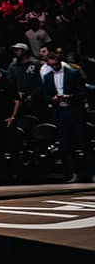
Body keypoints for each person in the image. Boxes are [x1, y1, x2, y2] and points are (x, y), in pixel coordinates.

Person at [41, 48, 91, 183]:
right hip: (60, 113)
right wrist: (53, 99)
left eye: (56, 64)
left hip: (75, 112)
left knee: (84, 143)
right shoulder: (47, 77)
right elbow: (45, 96)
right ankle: (74, 173)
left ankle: (92, 173)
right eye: (52, 65)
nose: (55, 67)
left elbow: (83, 92)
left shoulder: (72, 73)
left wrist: (70, 97)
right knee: (66, 145)